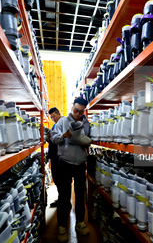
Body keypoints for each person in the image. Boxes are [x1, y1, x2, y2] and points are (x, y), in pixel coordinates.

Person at [50, 97, 91, 242]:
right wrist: (63, 136)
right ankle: (62, 226)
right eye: (76, 110)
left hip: (80, 164)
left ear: (84, 111)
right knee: (64, 196)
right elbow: (53, 138)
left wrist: (84, 140)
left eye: (81, 111)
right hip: (65, 164)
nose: (78, 114)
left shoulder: (86, 124)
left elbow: (88, 141)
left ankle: (80, 223)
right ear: (71, 108)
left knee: (80, 195)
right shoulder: (62, 122)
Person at [47, 107, 62, 207]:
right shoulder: (55, 125)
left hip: (59, 157)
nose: (53, 119)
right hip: (55, 156)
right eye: (51, 118)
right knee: (57, 179)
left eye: (54, 116)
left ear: (59, 114)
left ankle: (63, 201)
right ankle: (61, 199)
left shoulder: (63, 124)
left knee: (60, 179)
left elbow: (59, 140)